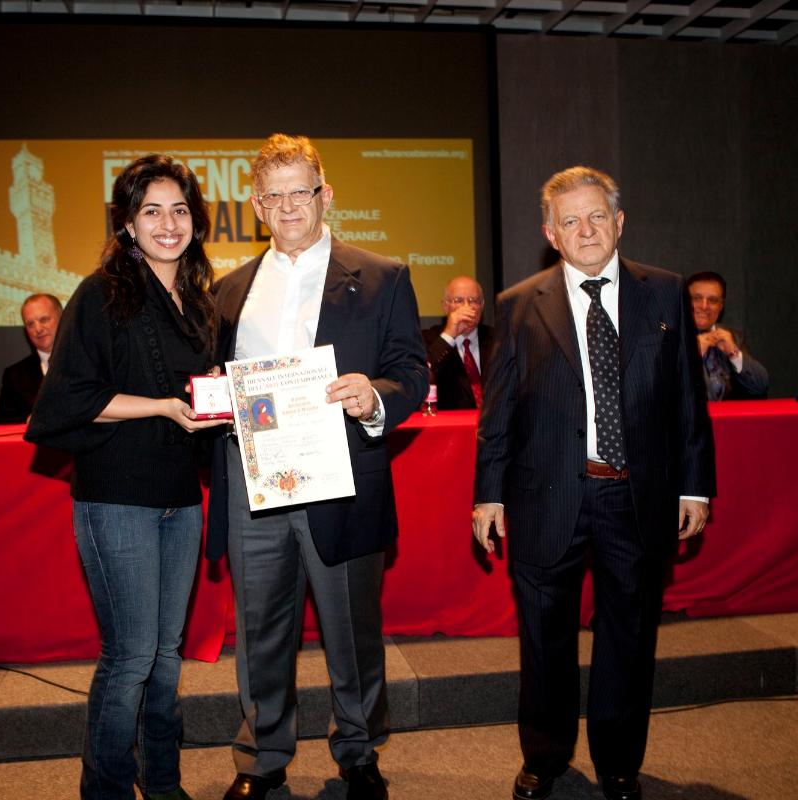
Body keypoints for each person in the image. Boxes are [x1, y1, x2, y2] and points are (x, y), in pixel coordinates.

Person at [472, 167, 715, 800]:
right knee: (544, 640)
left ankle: (618, 763)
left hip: (636, 497)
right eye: (571, 221)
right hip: (546, 496)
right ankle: (545, 757)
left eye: (597, 216)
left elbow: (687, 399)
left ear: (620, 222)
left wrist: (695, 486)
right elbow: (498, 412)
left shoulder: (665, 293)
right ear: (551, 234)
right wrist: (488, 493)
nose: (586, 230)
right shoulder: (518, 304)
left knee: (629, 638)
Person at [207, 134, 426, 800]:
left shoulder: (383, 275)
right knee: (260, 632)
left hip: (343, 478)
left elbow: (411, 372)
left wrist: (374, 397)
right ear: (256, 206)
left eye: (299, 192)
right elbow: (215, 379)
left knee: (351, 630)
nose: (287, 207)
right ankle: (261, 757)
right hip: (253, 481)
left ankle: (358, 753)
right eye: (272, 196)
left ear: (324, 195)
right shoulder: (229, 290)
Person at [25, 155, 226, 800]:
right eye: (151, 211)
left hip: (180, 498)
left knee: (166, 656)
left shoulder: (198, 301)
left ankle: (161, 782)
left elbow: (204, 395)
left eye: (180, 210)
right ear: (129, 224)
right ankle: (106, 789)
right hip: (116, 498)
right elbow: (69, 398)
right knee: (132, 655)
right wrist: (162, 406)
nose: (168, 224)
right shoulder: (100, 294)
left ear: (195, 220)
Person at [686, 271, 769, 400]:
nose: (704, 306)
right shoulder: (668, 337)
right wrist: (691, 356)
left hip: (728, 413)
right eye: (696, 298)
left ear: (721, 306)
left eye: (712, 300)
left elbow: (759, 387)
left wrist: (734, 354)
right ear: (684, 301)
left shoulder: (733, 337)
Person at [422, 275, 492, 410]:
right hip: (450, 421)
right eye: (458, 301)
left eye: (473, 301)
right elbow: (421, 375)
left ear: (482, 305)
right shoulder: (428, 339)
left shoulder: (498, 339)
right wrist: (450, 334)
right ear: (445, 307)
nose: (466, 307)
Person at [0, 293, 62, 423]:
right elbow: (2, 423)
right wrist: (30, 421)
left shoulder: (87, 363)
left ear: (62, 319)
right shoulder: (15, 375)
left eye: (44, 320)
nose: (38, 329)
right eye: (30, 324)